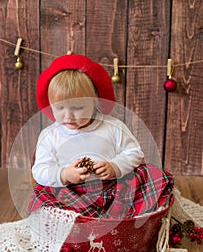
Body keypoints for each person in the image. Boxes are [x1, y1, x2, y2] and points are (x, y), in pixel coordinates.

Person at [28, 54, 174, 219]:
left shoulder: (112, 127)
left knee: (150, 173)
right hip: (71, 194)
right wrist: (64, 175)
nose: (68, 116)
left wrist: (115, 167)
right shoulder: (50, 136)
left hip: (114, 189)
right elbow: (40, 170)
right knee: (42, 194)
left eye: (78, 107)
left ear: (95, 102)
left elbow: (134, 153)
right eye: (60, 108)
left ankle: (124, 218)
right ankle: (76, 223)